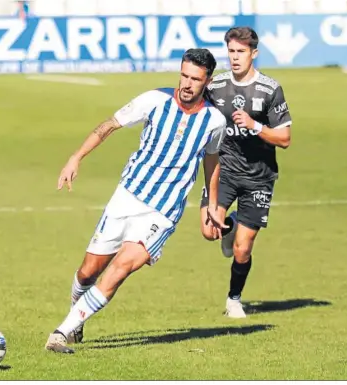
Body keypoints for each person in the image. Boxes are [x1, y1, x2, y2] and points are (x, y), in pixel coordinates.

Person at [45, 48, 228, 354]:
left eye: (195, 79)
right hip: (127, 197)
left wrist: (211, 201)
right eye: (183, 75)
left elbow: (212, 160)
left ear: (207, 81)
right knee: (88, 271)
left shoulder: (214, 121)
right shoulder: (153, 100)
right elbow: (109, 125)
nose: (186, 84)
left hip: (164, 211)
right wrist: (75, 157)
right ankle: (76, 315)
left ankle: (60, 333)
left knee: (121, 268)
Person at [199, 27, 293, 318]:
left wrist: (255, 126)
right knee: (207, 230)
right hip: (224, 171)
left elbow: (285, 138)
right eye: (231, 51)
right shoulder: (215, 87)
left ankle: (233, 300)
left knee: (242, 250)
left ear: (254, 53)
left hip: (258, 178)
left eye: (241, 52)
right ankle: (230, 223)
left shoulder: (269, 89)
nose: (235, 57)